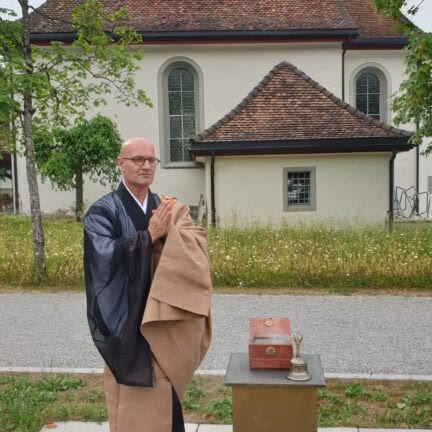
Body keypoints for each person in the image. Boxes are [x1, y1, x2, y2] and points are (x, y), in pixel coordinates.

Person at [83, 137, 212, 432]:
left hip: (163, 318)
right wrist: (148, 237)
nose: (145, 166)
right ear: (121, 164)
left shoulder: (164, 206)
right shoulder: (103, 211)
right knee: (131, 398)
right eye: (137, 159)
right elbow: (102, 260)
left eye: (150, 160)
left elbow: (194, 246)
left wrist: (173, 235)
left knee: (168, 399)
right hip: (127, 323)